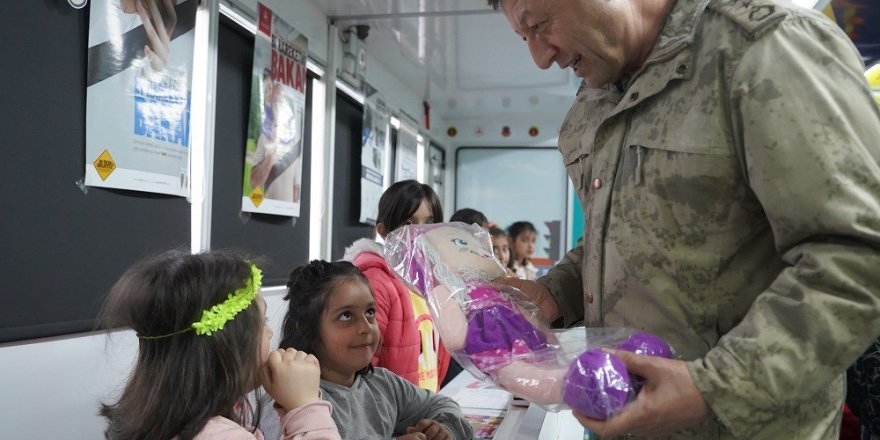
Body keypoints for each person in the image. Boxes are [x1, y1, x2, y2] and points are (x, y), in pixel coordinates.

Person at [487, 0, 880, 438]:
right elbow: (623, 236)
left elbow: (857, 256)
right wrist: (554, 294)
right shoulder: (593, 100)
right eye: (525, 39)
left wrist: (713, 387)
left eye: (539, 25)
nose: (541, 58)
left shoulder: (763, 49)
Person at [97, 249, 340, 439]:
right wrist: (305, 405)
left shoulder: (157, 419)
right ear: (228, 344)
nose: (269, 332)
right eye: (262, 322)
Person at [279, 260, 473, 440]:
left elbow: (444, 405)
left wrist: (445, 429)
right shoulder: (296, 401)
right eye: (346, 316)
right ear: (304, 327)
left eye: (370, 312)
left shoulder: (384, 385)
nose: (365, 327)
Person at [342, 180, 452, 392]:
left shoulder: (429, 280)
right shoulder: (375, 282)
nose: (420, 232)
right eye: (409, 224)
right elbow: (363, 363)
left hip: (423, 408)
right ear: (384, 231)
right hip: (392, 416)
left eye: (429, 223)